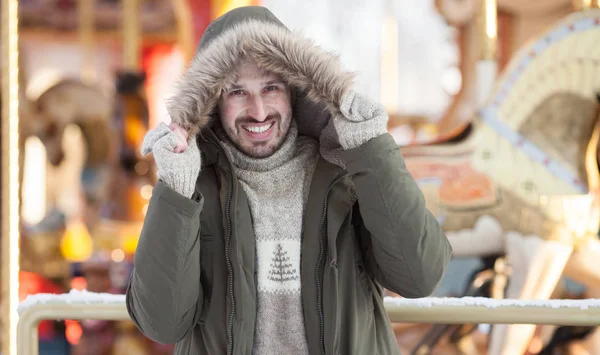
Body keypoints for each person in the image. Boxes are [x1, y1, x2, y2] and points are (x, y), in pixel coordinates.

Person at [126, 6, 452, 355]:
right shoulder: (193, 188)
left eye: (271, 87)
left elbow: (420, 276)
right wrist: (176, 190)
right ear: (212, 100)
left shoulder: (344, 168)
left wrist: (371, 148)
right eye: (237, 92)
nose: (259, 110)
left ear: (294, 91)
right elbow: (161, 321)